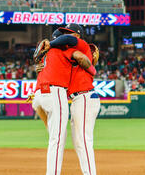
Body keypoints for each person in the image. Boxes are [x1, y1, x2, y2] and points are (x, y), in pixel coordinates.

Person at [32, 24, 97, 175]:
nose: (67, 36)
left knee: (73, 140)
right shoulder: (65, 50)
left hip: (49, 95)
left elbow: (70, 43)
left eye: (70, 33)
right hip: (61, 94)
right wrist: (92, 68)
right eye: (64, 34)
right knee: (67, 140)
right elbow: (80, 58)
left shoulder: (56, 51)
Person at [68, 41, 101, 175]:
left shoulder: (83, 65)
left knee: (84, 141)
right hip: (77, 99)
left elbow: (82, 58)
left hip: (85, 97)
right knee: (78, 142)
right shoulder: (71, 67)